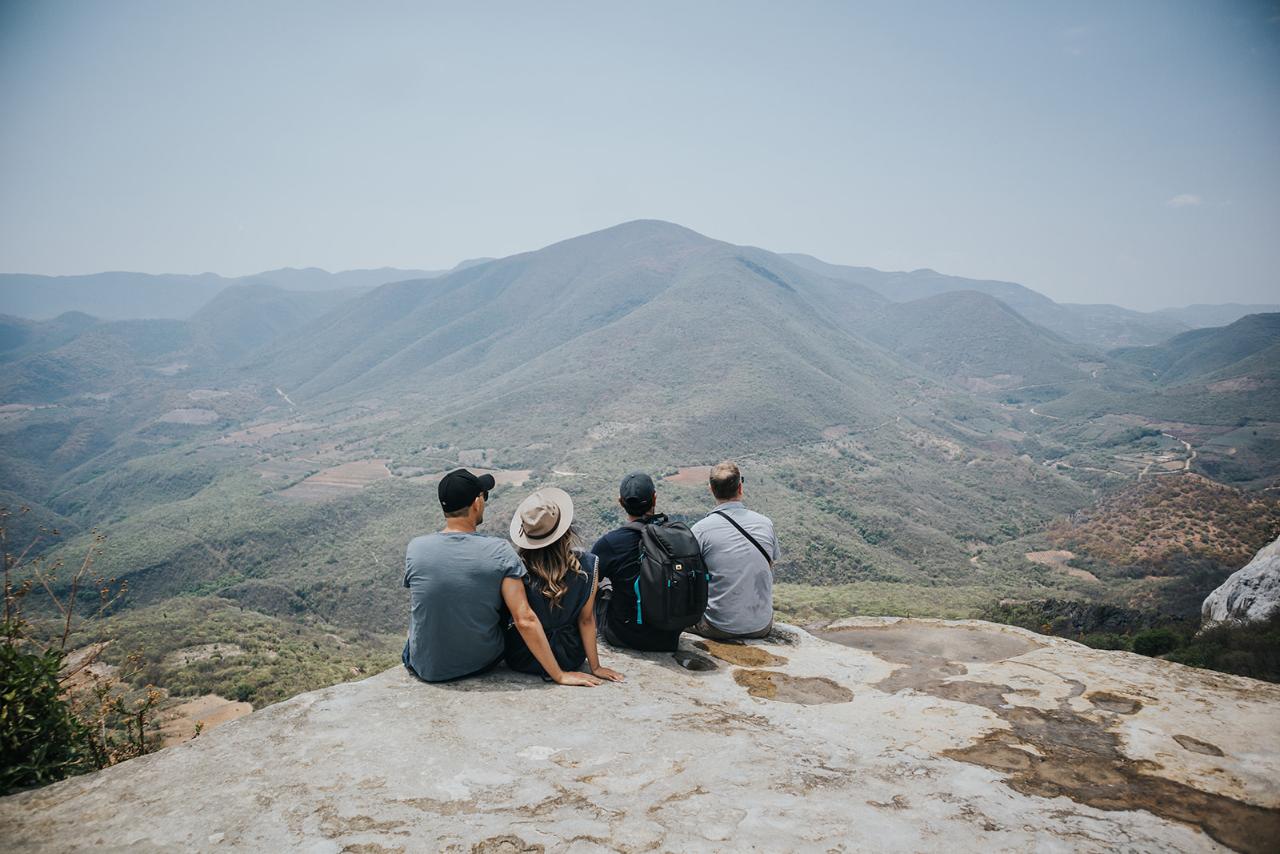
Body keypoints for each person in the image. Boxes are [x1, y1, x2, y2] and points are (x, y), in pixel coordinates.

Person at [402, 468, 601, 686]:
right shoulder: (499, 552)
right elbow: (524, 618)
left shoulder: (415, 548)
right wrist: (560, 675)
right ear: (477, 502)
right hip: (480, 662)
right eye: (484, 496)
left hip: (425, 666)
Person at [503, 487, 624, 683]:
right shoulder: (588, 566)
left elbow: (523, 621)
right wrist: (595, 666)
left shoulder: (515, 569)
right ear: (565, 530)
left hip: (524, 656)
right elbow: (586, 620)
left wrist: (557, 676)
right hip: (569, 656)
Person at [589, 472, 683, 652]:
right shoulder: (676, 537)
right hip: (669, 635)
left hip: (625, 635)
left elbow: (585, 584)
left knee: (597, 582)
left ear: (620, 502)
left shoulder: (610, 543)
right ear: (654, 498)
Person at [689, 461, 779, 640]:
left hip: (718, 627)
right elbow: (770, 564)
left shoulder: (700, 530)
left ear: (711, 489)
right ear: (740, 488)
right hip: (761, 626)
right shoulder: (765, 523)